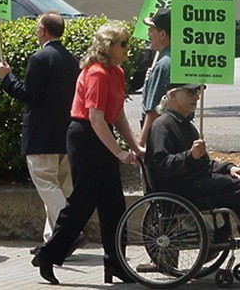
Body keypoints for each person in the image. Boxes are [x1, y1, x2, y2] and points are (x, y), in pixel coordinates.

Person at [31, 23, 144, 285]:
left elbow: (117, 116)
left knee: (114, 205)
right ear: (109, 46)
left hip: (100, 135)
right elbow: (95, 117)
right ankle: (48, 255)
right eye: (123, 44)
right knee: (82, 202)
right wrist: (117, 152)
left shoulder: (116, 72)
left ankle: (116, 264)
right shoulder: (96, 73)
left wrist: (135, 146)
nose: (127, 48)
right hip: (85, 136)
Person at [145, 83, 240, 276]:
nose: (196, 97)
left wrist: (230, 168)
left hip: (197, 182)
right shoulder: (162, 125)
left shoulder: (186, 125)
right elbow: (161, 166)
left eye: (198, 92)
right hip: (180, 191)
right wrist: (190, 156)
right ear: (173, 95)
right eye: (191, 92)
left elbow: (205, 164)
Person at [0, 10, 87, 256]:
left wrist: (7, 78)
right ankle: (54, 241)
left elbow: (29, 95)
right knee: (60, 187)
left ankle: (70, 232)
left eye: (38, 27)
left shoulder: (40, 58)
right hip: (65, 134)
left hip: (42, 135)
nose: (37, 31)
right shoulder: (72, 59)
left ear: (43, 30)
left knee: (47, 184)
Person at [138, 8, 171, 147]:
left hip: (158, 136)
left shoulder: (163, 65)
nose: (148, 33)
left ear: (162, 34)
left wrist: (140, 143)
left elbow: (153, 111)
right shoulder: (178, 58)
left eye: (151, 29)